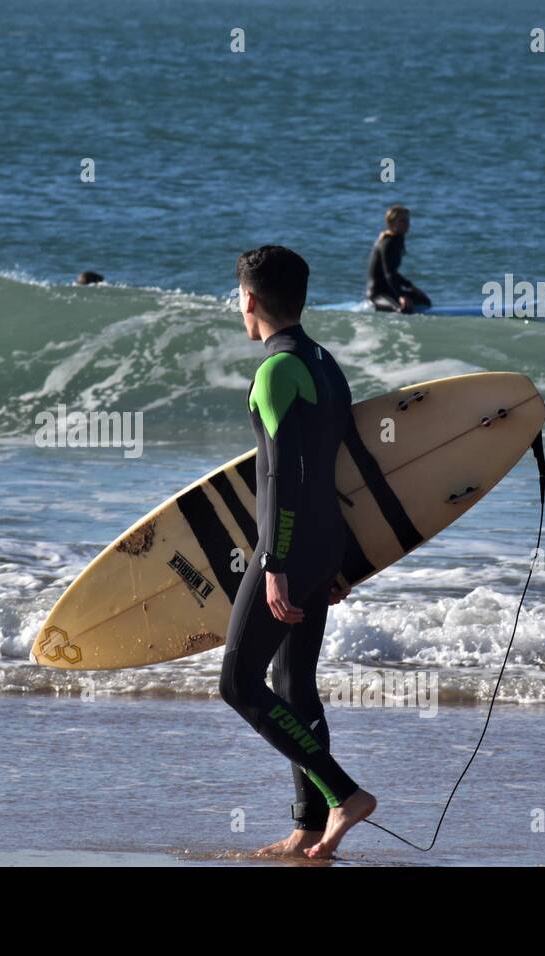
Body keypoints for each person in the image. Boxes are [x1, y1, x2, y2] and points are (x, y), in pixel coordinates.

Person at [222, 245, 377, 860]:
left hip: (286, 548)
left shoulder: (275, 370)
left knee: (238, 683)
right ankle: (309, 828)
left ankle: (344, 795)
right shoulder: (325, 363)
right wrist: (340, 560)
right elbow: (349, 469)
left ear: (250, 300)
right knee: (292, 684)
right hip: (325, 543)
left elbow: (282, 477)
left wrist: (276, 566)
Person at [365, 205, 431, 313]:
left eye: (408, 221)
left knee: (425, 301)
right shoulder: (387, 243)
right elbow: (389, 274)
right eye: (402, 221)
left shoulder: (398, 240)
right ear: (391, 223)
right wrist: (401, 296)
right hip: (377, 294)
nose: (407, 224)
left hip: (390, 290)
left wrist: (411, 286)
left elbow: (394, 272)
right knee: (403, 309)